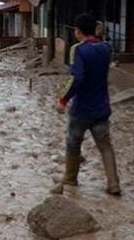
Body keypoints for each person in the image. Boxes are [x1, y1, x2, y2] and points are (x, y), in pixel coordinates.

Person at [52, 13, 121, 196]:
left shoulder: (78, 50)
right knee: (105, 145)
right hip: (102, 107)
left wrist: (63, 100)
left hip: (81, 108)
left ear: (78, 31)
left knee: (73, 143)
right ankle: (113, 183)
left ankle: (70, 178)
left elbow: (77, 78)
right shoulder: (106, 47)